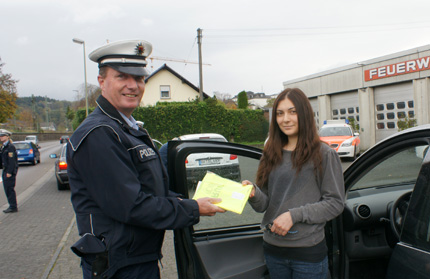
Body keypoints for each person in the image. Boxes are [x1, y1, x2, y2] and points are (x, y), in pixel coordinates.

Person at [67, 39, 225, 279]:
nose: (133, 86)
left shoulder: (127, 129)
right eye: (122, 77)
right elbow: (132, 206)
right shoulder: (100, 134)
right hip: (119, 266)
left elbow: (150, 192)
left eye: (139, 78)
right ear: (102, 82)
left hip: (135, 259)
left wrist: (186, 200)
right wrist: (192, 208)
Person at [242, 88, 345, 279]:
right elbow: (265, 204)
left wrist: (293, 215)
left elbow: (335, 203)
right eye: (280, 113)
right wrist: (253, 193)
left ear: (304, 114)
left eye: (292, 112)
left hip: (307, 254)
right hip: (273, 249)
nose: (285, 119)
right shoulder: (270, 152)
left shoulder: (323, 154)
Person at [0, 129, 18, 213]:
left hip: (9, 171)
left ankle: (13, 206)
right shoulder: (3, 146)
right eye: (0, 136)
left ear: (7, 137)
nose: (1, 137)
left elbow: (12, 161)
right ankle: (11, 205)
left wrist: (10, 172)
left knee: (9, 188)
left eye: (3, 136)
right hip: (5, 170)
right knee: (7, 189)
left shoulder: (10, 147)